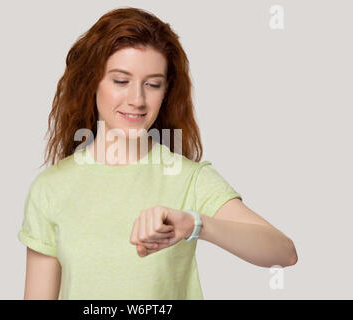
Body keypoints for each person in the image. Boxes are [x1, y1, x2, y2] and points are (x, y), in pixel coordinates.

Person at [17, 6, 298, 300]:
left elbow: (283, 252)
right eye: (121, 81)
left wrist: (196, 224)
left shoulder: (189, 178)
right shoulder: (50, 188)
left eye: (152, 84)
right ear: (91, 82)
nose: (137, 99)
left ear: (166, 92)